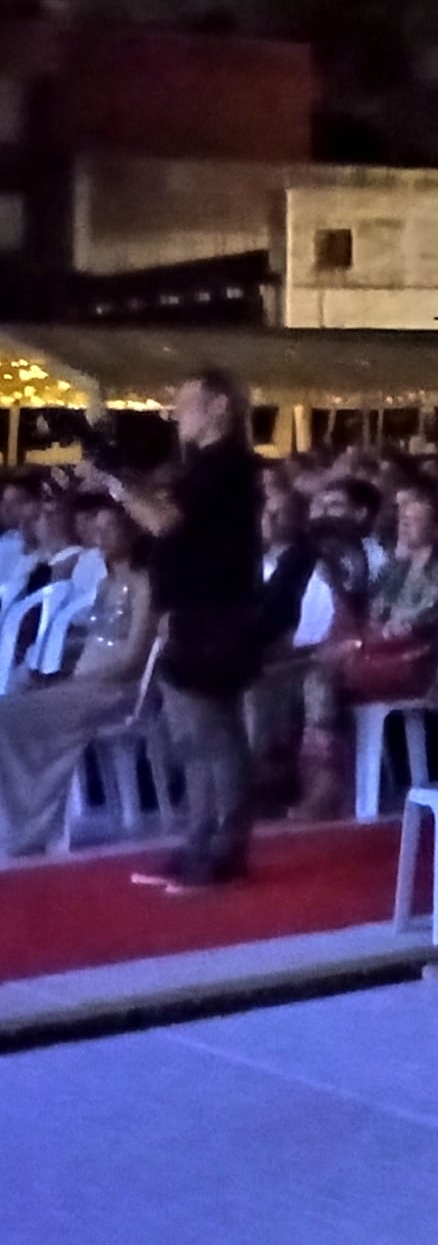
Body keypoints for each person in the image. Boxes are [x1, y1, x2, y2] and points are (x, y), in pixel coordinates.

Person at [118, 370, 267, 891]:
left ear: (220, 406)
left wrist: (119, 481)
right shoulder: (205, 467)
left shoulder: (226, 467)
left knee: (214, 735)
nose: (177, 414)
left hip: (216, 614)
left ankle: (225, 847)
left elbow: (165, 522)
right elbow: (164, 521)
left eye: (187, 403)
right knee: (192, 737)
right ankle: (200, 840)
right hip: (195, 611)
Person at [299, 480, 438, 817]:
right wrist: (336, 585)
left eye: (415, 519)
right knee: (307, 674)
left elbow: (417, 623)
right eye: (402, 518)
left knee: (320, 679)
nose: (404, 525)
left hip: (412, 659)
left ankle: (326, 787)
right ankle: (318, 780)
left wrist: (361, 641)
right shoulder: (396, 567)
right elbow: (366, 610)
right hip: (376, 651)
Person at [0, 500, 155, 855]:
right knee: (11, 704)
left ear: (132, 531)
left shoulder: (144, 584)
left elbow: (134, 657)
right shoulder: (104, 585)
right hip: (84, 686)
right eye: (96, 529)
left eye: (109, 528)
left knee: (9, 717)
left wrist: (78, 682)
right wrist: (56, 672)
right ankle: (18, 820)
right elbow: (89, 642)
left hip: (116, 691)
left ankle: (27, 827)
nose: (99, 536)